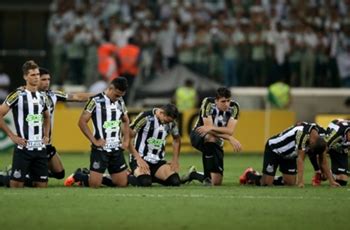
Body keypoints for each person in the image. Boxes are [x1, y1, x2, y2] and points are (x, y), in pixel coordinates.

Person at [64, 77, 130, 188]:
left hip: (116, 148)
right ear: (111, 88)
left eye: (121, 96)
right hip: (100, 150)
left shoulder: (120, 101)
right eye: (117, 95)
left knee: (122, 184)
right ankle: (80, 175)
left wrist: (126, 140)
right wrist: (94, 140)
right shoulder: (95, 100)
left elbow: (126, 120)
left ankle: (94, 176)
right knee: (94, 185)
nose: (118, 98)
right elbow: (82, 122)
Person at [239, 122, 340, 187]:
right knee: (265, 183)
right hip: (275, 149)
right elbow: (300, 159)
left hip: (290, 154)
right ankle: (249, 174)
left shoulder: (321, 137)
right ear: (312, 142)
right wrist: (300, 182)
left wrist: (332, 181)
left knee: (290, 183)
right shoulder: (303, 134)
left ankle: (270, 176)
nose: (309, 150)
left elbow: (323, 161)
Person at [0, 60, 50, 188]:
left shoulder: (43, 96)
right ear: (25, 77)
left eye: (38, 74)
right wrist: (12, 136)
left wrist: (46, 135)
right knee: (16, 186)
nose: (36, 77)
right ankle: (3, 177)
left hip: (40, 149)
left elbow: (46, 116)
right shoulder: (17, 95)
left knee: (42, 186)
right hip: (23, 149)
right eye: (33, 75)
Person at [182, 87, 242, 186]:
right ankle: (207, 178)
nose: (226, 104)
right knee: (210, 138)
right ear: (216, 101)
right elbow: (207, 129)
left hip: (217, 140)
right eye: (223, 101)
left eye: (228, 101)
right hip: (198, 134)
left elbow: (229, 131)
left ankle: (193, 174)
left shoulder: (235, 107)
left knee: (217, 182)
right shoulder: (208, 103)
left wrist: (228, 136)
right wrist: (229, 138)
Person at [128, 103, 181, 187]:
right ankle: (126, 175)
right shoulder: (145, 117)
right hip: (140, 158)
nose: (168, 123)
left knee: (175, 181)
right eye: (167, 121)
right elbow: (127, 137)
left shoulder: (171, 122)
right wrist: (138, 158)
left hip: (158, 161)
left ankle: (148, 175)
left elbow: (177, 139)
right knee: (145, 182)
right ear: (161, 113)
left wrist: (175, 159)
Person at [324, 119, 350, 186]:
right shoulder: (336, 133)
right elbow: (321, 153)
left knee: (342, 181)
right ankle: (321, 173)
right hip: (329, 143)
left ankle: (334, 174)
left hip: (341, 146)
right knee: (324, 176)